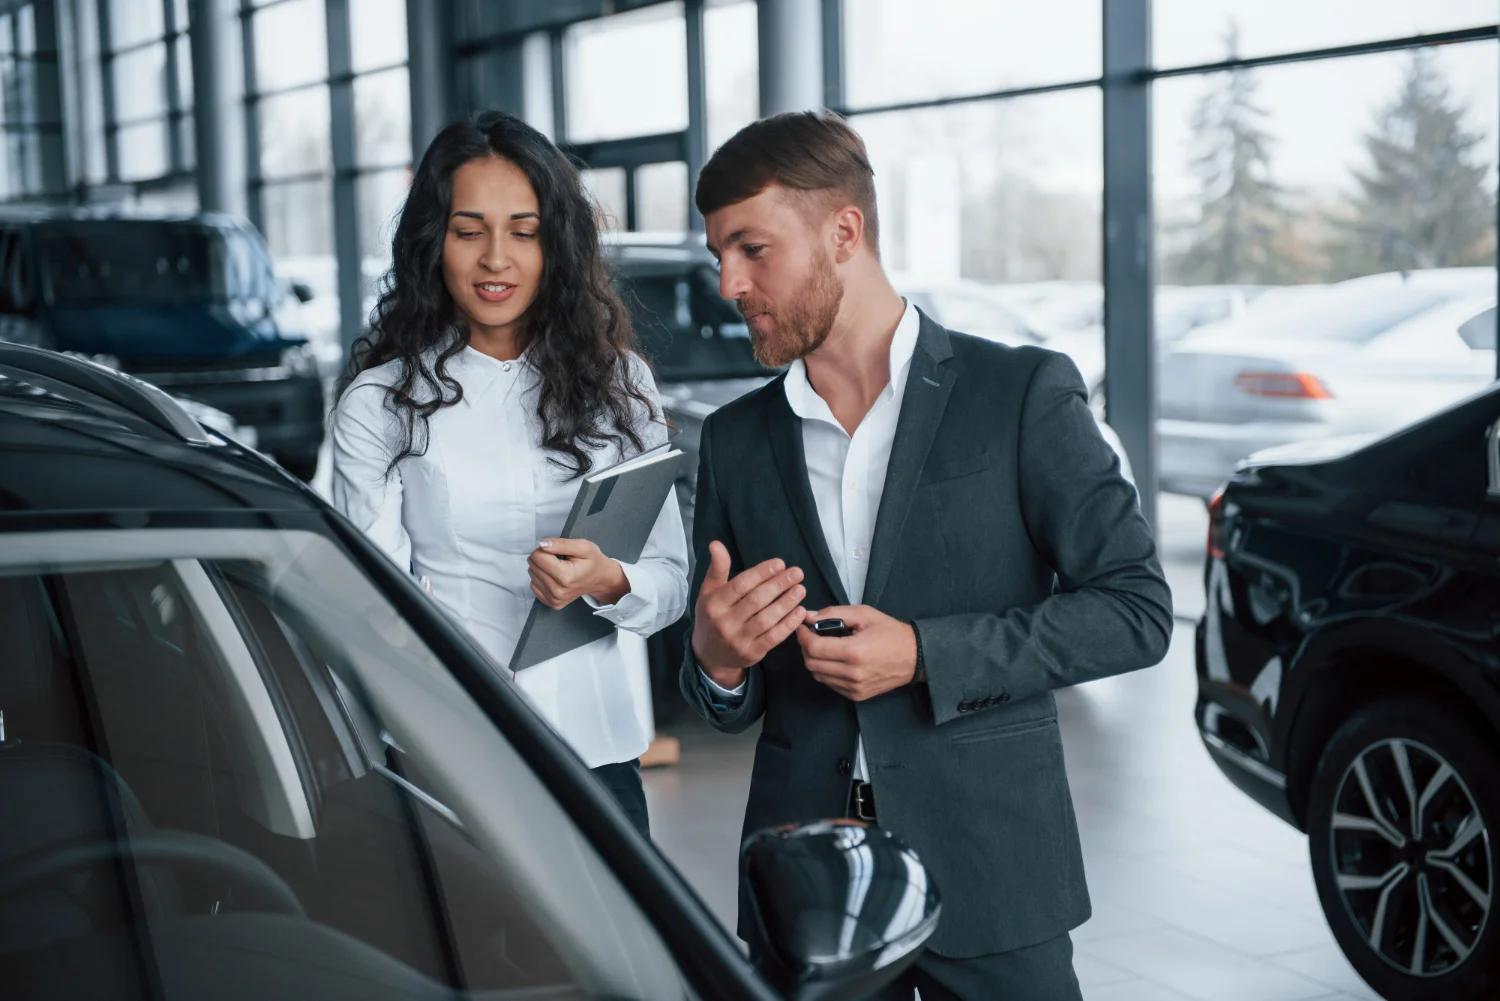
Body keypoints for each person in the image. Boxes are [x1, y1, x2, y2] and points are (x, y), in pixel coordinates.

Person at [678, 111, 1174, 1000]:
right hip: (807, 895)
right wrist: (716, 662)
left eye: (751, 249)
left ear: (844, 232)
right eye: (720, 254)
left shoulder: (1019, 392)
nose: (728, 282)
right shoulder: (734, 440)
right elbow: (722, 698)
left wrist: (923, 653)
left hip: (993, 874)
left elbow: (1135, 609)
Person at [331, 111, 688, 838]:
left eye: (524, 231)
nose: (497, 258)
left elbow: (670, 582)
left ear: (555, 244)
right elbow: (362, 603)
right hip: (452, 749)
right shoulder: (381, 403)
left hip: (598, 748)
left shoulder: (622, 384)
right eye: (470, 231)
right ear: (435, 244)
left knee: (616, 955)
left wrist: (608, 580)